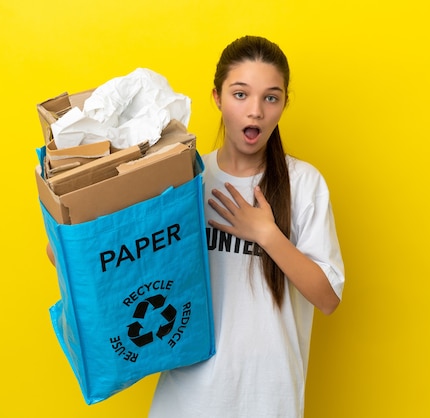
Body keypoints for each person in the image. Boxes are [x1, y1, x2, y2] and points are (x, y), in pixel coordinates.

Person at [147, 35, 345, 417]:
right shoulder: (186, 181)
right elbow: (139, 272)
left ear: (284, 104)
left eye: (271, 97)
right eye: (241, 94)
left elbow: (328, 298)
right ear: (217, 98)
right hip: (186, 399)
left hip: (268, 400)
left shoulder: (304, 183)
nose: (255, 111)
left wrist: (267, 234)